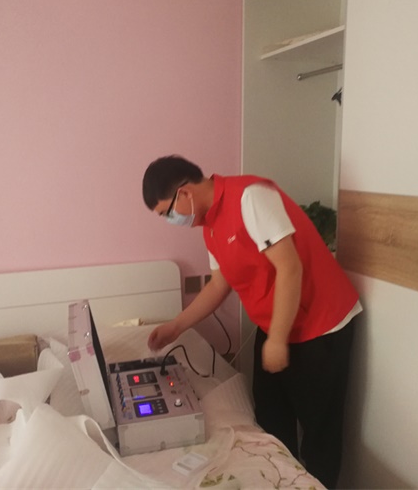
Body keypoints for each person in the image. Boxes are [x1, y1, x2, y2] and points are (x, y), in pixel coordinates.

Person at [142, 154, 361, 488]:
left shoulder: (250, 197)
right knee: (271, 420)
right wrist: (177, 326)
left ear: (184, 193)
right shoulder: (210, 225)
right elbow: (219, 285)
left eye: (166, 213)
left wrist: (277, 339)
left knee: (319, 432)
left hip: (321, 324)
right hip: (277, 325)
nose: (171, 220)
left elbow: (289, 268)